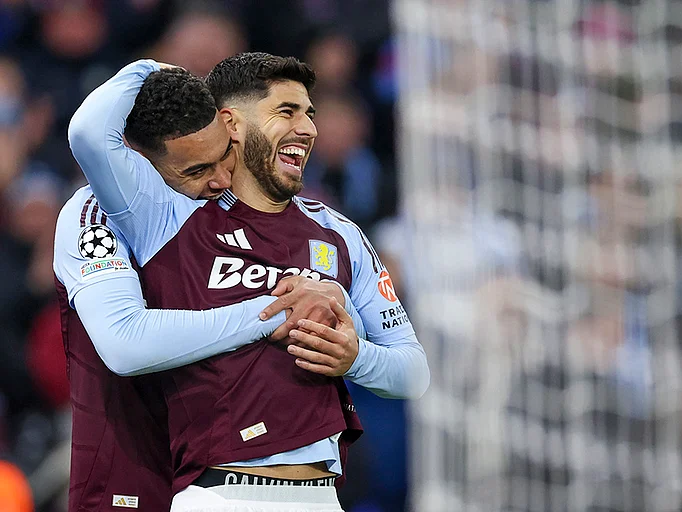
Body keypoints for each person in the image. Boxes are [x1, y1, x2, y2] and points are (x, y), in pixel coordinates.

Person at [68, 55, 429, 511]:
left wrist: (356, 357)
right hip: (222, 492)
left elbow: (414, 372)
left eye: (310, 113)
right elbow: (88, 134)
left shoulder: (341, 234)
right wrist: (153, 68)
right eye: (287, 112)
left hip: (324, 497)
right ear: (230, 123)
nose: (308, 128)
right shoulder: (167, 214)